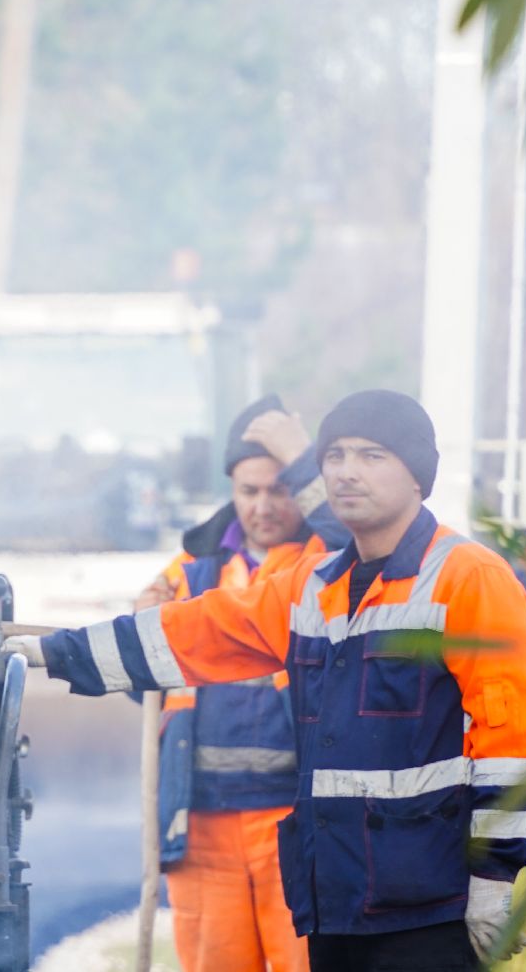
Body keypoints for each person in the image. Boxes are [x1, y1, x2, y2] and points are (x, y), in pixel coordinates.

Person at [8, 390, 526, 970]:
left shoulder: (469, 578)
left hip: (428, 905)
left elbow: (515, 736)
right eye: (336, 455)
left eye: (372, 455)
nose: (347, 471)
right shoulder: (312, 585)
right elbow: (200, 632)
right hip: (336, 901)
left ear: (418, 476)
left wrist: (495, 875)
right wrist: (50, 652)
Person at [140, 395, 346, 972]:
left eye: (279, 488)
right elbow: (148, 691)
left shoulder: (330, 560)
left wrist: (305, 458)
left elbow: (356, 545)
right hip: (201, 821)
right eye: (248, 491)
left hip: (297, 823)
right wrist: (143, 625)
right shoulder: (191, 572)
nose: (262, 506)